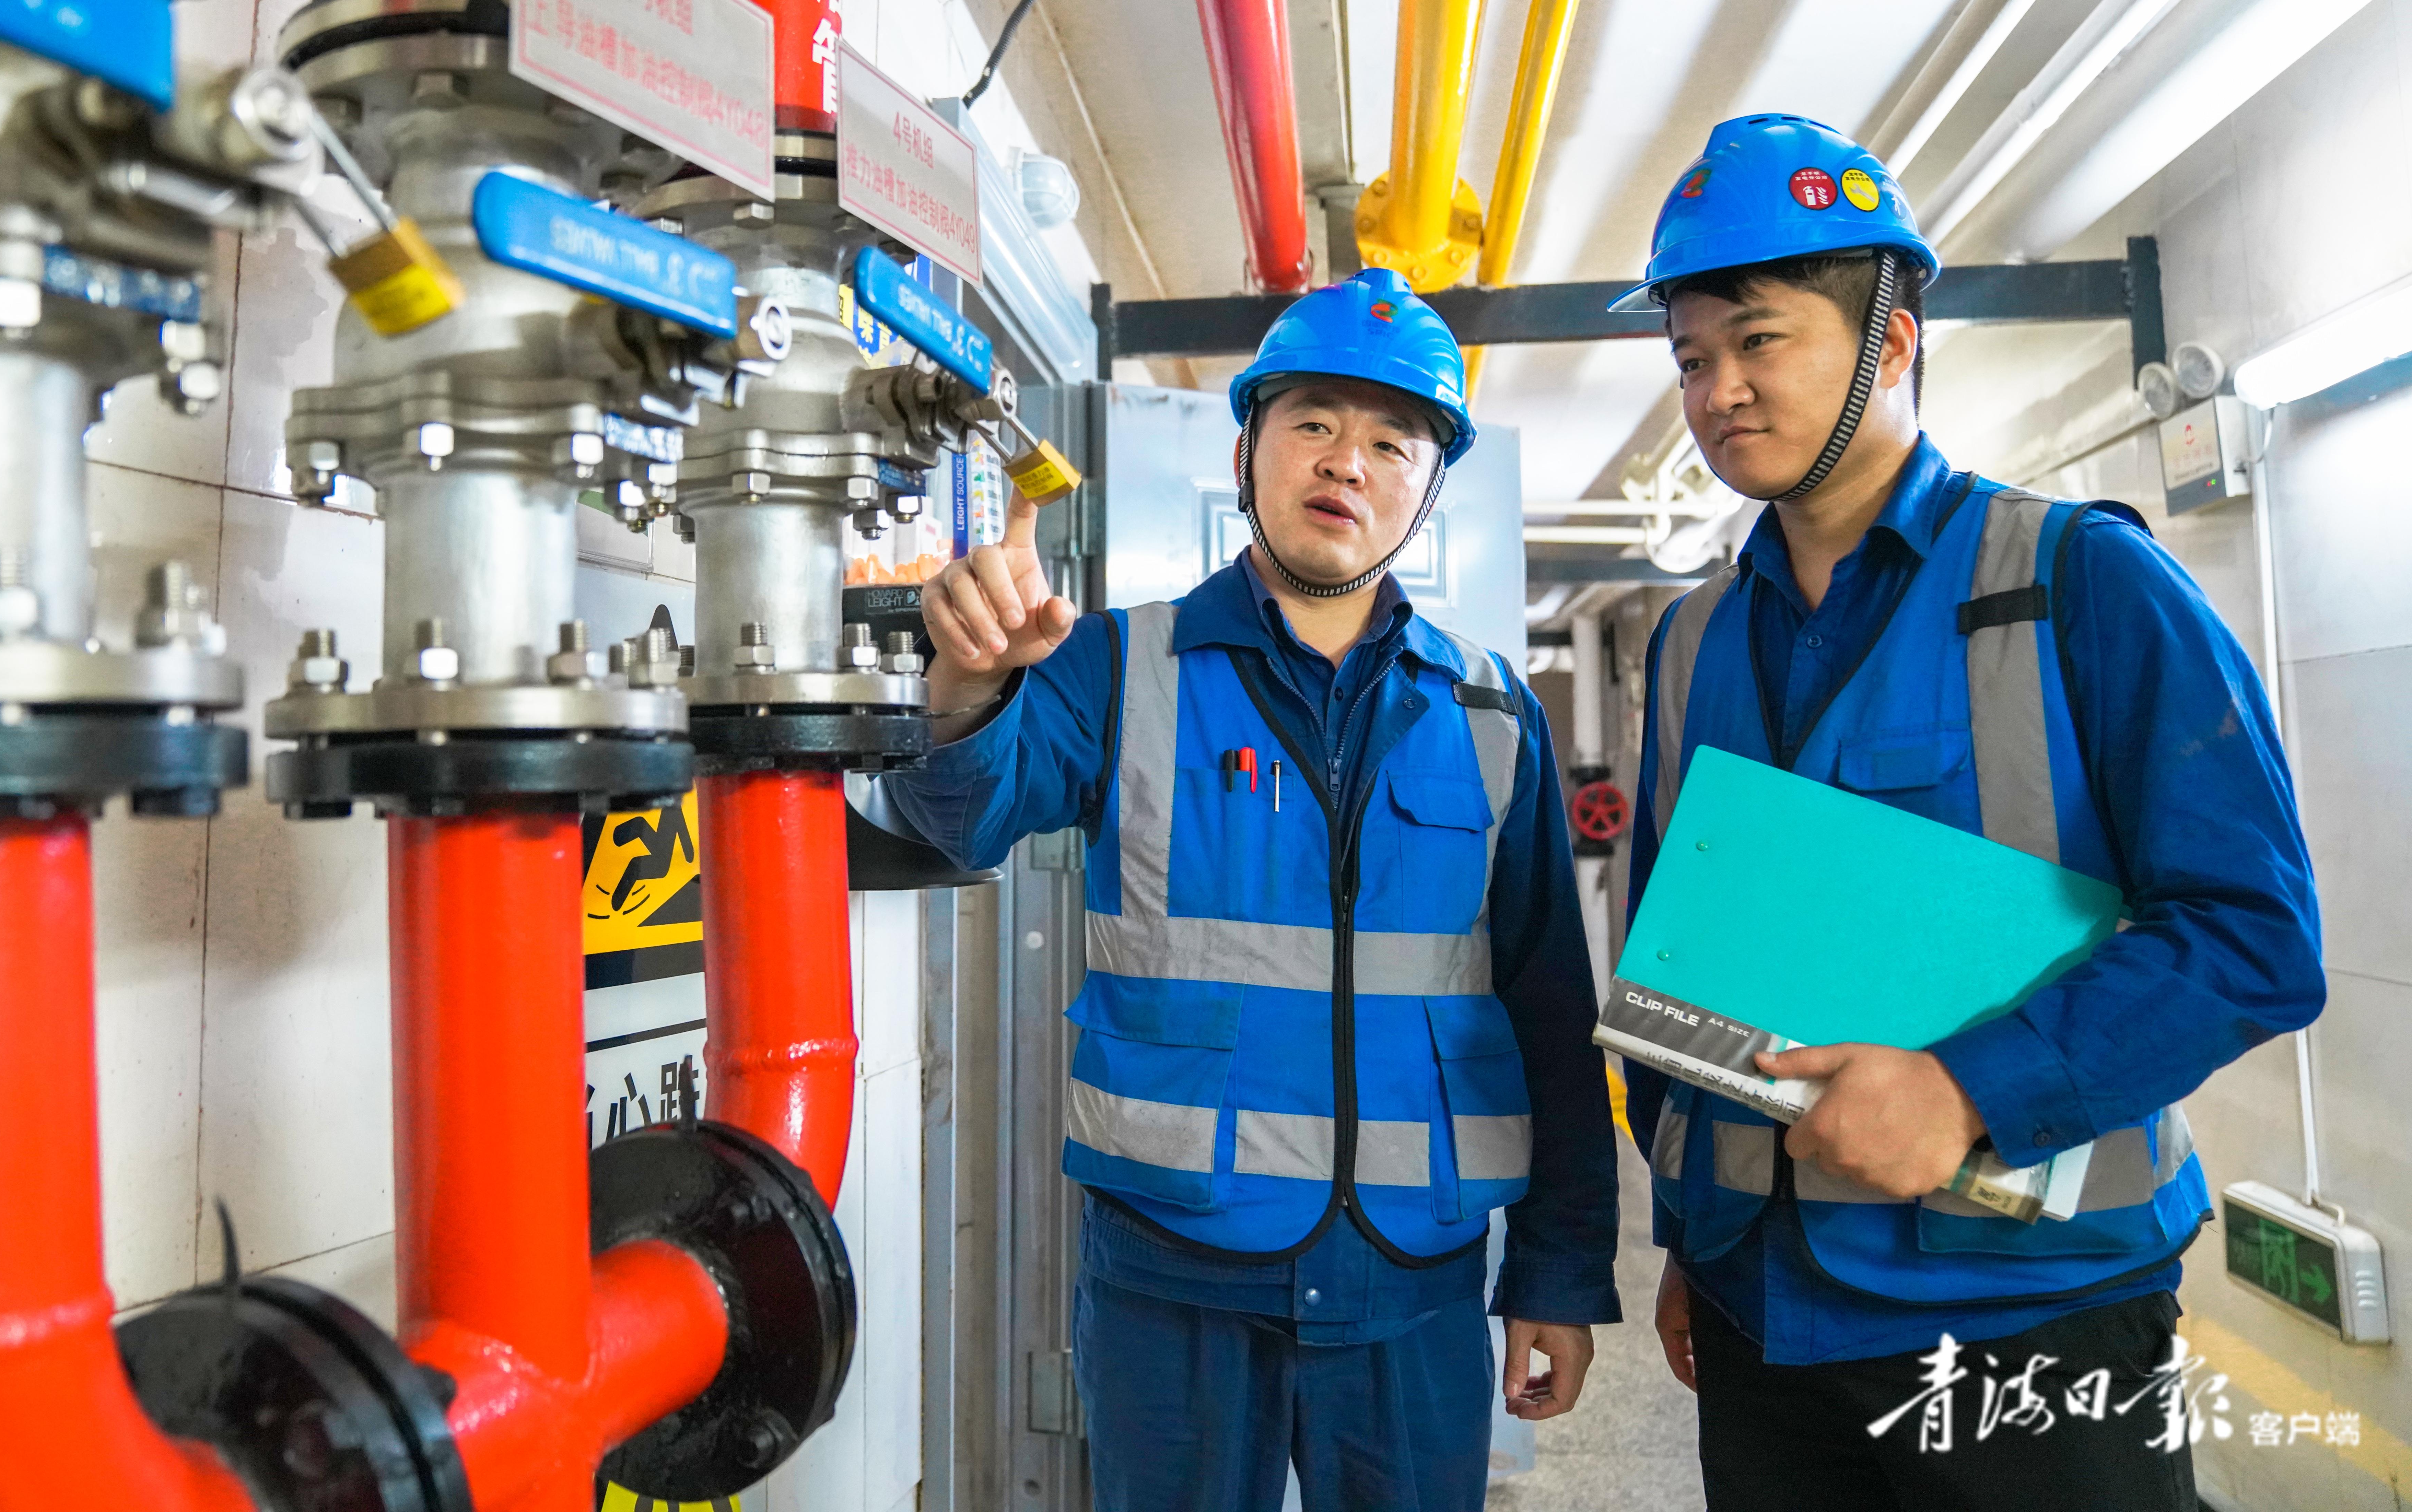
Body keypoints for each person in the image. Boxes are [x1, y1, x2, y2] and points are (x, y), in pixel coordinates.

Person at [1616, 114, 2325, 1509]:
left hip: (2028, 1326)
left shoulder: (2084, 585)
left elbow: (2253, 937)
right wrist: (1696, 1244)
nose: (1717, 391)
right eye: (1691, 358)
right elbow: (1674, 978)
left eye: (1758, 340)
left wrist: (1964, 1090)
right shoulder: (1689, 643)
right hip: (1762, 1325)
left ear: (1889, 341)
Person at [882, 269, 1619, 1511]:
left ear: (1426, 495)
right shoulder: (1121, 663)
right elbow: (958, 816)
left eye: (1394, 442)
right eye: (1316, 424)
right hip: (1177, 1272)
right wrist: (965, 691)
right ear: (1250, 452)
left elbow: (1549, 999)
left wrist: (1559, 1268)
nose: (1350, 462)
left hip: (1416, 1272)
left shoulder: (1492, 711)